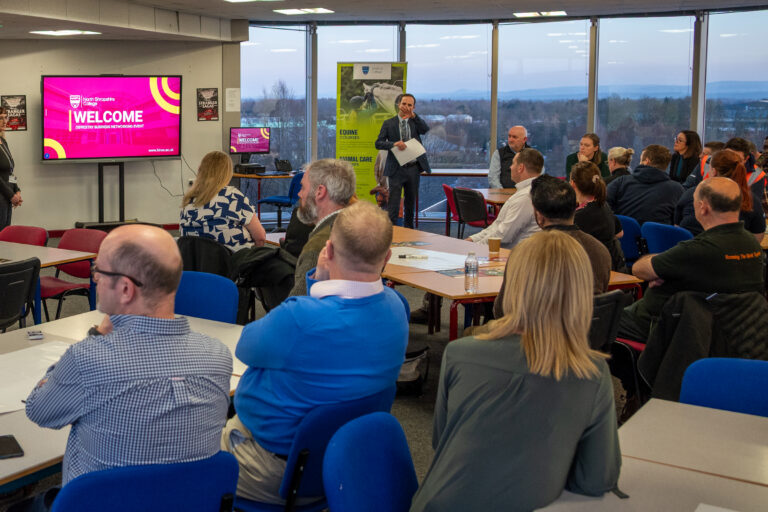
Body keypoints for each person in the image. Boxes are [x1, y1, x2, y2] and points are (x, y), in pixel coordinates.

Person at [410, 230, 621, 512]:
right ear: (581, 292)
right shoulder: (591, 374)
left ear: (511, 284)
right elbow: (596, 480)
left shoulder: (460, 353)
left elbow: (441, 440)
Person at [222, 201, 409, 504]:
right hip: (346, 463)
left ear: (329, 251)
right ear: (386, 256)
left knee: (186, 458)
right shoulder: (397, 307)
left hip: (271, 466)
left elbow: (246, 345)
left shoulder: (299, 318)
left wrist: (318, 284)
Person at [25, 225, 233, 485]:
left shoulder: (88, 358)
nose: (95, 279)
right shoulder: (218, 355)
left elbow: (38, 410)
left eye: (98, 271)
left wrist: (98, 336)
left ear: (125, 289)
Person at [618, 177, 765, 343]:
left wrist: (660, 268)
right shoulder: (752, 244)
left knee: (594, 320)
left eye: (695, 201)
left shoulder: (697, 250)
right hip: (728, 331)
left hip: (663, 326)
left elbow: (639, 270)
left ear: (703, 207)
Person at [491, 175, 611, 320]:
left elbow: (502, 310)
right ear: (575, 207)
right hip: (587, 337)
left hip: (536, 337)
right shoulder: (600, 250)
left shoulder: (525, 251)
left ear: (539, 216)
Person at [288, 158, 356, 296]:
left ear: (319, 192)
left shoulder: (319, 247)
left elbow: (299, 308)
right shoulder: (361, 230)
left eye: (303, 187)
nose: (299, 194)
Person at [180, 150, 266, 250]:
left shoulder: (188, 200)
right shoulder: (233, 196)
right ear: (227, 173)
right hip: (233, 262)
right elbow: (260, 237)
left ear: (201, 170)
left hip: (197, 263)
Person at [675, 149, 765, 241]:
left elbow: (677, 229)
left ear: (713, 171)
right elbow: (757, 238)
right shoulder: (750, 200)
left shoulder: (692, 193)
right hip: (732, 252)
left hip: (689, 251)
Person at [375, 93, 431, 228]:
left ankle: (409, 235)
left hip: (413, 168)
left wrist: (415, 117)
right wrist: (394, 144)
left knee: (410, 205)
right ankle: (392, 236)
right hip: (396, 168)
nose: (406, 107)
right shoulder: (389, 123)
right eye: (404, 104)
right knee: (393, 206)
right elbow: (378, 143)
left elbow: (425, 129)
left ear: (413, 107)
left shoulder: (415, 122)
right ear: (398, 105)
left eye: (409, 105)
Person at [467, 148, 543, 249]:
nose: (510, 167)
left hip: (513, 257)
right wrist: (472, 239)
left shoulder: (526, 197)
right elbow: (496, 227)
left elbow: (502, 236)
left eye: (513, 163)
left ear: (520, 168)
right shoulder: (527, 192)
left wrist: (473, 247)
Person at [607, 144, 683, 225]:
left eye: (640, 160)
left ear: (646, 161)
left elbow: (602, 206)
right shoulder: (677, 190)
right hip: (656, 236)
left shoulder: (621, 182)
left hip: (622, 235)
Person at [571, 161, 626, 271]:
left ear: (573, 183)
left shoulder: (578, 216)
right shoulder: (602, 204)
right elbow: (620, 233)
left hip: (592, 271)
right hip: (610, 266)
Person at [0, 107, 21, 230]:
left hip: (7, 197)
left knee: (5, 236)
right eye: (0, 118)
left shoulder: (3, 141)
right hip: (2, 196)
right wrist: (11, 195)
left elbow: (10, 170)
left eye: (5, 117)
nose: (4, 121)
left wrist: (16, 190)